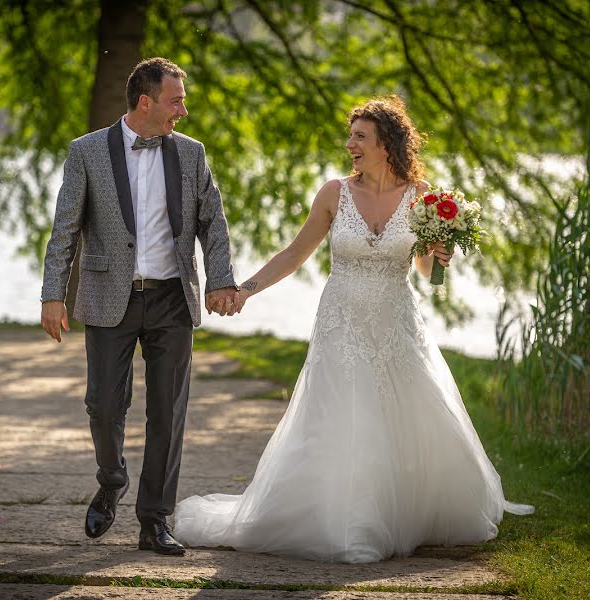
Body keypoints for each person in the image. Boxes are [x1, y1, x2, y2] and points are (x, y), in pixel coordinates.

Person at [174, 95, 533, 563]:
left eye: (360, 137)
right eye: (351, 136)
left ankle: (405, 512)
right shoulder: (333, 193)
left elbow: (424, 268)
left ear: (387, 143)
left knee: (405, 415)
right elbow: (293, 253)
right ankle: (352, 522)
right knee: (346, 415)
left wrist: (439, 252)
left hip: (395, 322)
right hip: (341, 322)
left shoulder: (422, 196)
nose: (350, 145)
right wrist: (244, 290)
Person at [40, 57, 239, 556]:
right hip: (110, 296)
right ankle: (111, 480)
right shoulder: (86, 152)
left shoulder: (192, 155)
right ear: (145, 101)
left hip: (173, 297)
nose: (183, 111)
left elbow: (212, 222)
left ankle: (155, 519)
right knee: (104, 406)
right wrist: (52, 294)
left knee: (168, 414)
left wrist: (220, 280)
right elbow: (65, 228)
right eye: (176, 101)